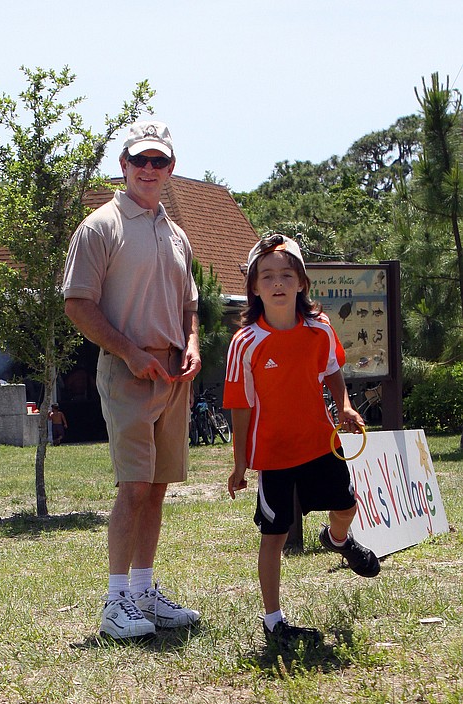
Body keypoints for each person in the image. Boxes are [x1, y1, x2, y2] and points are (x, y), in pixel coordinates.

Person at [63, 120, 201, 640]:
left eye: (158, 161)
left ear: (170, 169)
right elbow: (78, 304)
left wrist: (190, 345)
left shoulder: (177, 233)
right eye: (139, 160)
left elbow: (190, 305)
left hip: (173, 374)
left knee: (159, 486)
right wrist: (128, 351)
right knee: (134, 487)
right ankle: (115, 601)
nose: (148, 169)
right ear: (122, 166)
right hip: (127, 372)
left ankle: (144, 592)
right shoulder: (100, 227)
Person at [224, 234, 380, 649]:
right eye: (267, 276)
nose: (277, 283)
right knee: (273, 535)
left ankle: (337, 539)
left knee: (346, 505)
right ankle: (273, 621)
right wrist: (240, 464)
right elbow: (240, 406)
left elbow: (331, 371)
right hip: (273, 454)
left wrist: (344, 407)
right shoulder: (244, 344)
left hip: (318, 442)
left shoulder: (320, 328)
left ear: (301, 283)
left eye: (286, 275)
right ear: (254, 286)